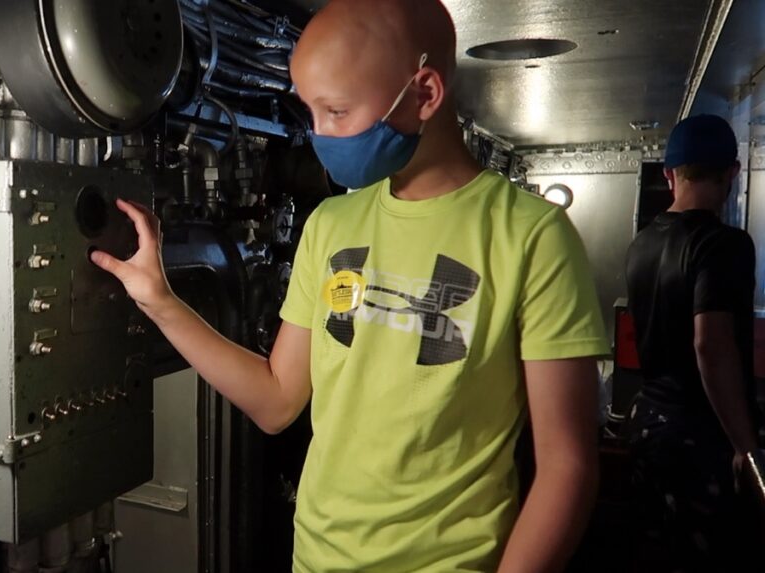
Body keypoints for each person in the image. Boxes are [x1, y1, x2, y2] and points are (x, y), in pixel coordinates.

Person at [92, 0, 608, 570]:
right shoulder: (332, 226)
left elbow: (567, 465)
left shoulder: (531, 237)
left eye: (336, 111)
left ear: (425, 93)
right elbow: (276, 401)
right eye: (309, 112)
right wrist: (162, 302)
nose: (319, 135)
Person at [625, 114, 762, 571]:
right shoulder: (725, 245)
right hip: (699, 438)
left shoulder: (641, 243)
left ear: (669, 173)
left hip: (647, 426)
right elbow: (711, 346)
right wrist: (744, 446)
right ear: (733, 172)